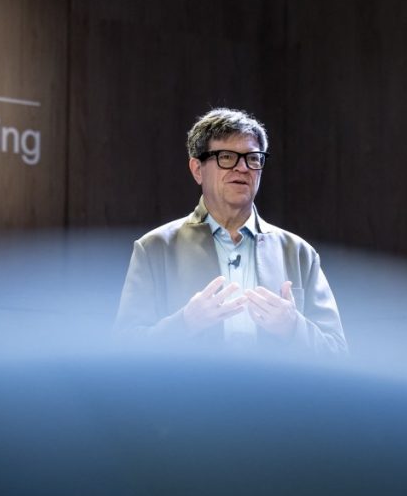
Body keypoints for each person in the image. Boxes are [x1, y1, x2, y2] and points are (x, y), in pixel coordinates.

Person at [114, 108, 347, 355]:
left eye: (253, 158)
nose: (243, 168)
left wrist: (293, 326)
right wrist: (185, 323)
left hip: (275, 393)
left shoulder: (298, 252)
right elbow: (125, 347)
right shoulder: (155, 248)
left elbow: (338, 352)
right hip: (190, 393)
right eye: (226, 157)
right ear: (197, 169)